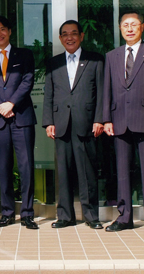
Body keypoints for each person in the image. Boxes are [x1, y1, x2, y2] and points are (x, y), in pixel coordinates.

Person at [103, 10, 144, 235]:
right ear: (120, 29)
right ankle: (125, 217)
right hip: (119, 120)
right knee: (122, 171)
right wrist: (106, 119)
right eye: (125, 25)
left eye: (133, 25)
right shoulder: (112, 56)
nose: (129, 29)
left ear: (141, 27)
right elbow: (106, 91)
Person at [42, 20, 104, 229]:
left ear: (82, 35)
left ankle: (91, 216)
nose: (70, 37)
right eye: (65, 34)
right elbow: (49, 95)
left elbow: (102, 92)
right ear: (60, 38)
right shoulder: (53, 63)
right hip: (61, 124)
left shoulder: (94, 60)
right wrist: (48, 121)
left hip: (86, 123)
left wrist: (99, 118)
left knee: (87, 173)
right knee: (63, 173)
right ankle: (65, 216)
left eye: (74, 33)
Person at [0, 16, 38, 229]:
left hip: (22, 117)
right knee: (3, 167)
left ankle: (28, 213)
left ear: (10, 31)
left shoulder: (24, 54)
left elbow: (28, 80)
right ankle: (7, 213)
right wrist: (0, 106)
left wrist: (11, 103)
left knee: (26, 165)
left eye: (2, 29)